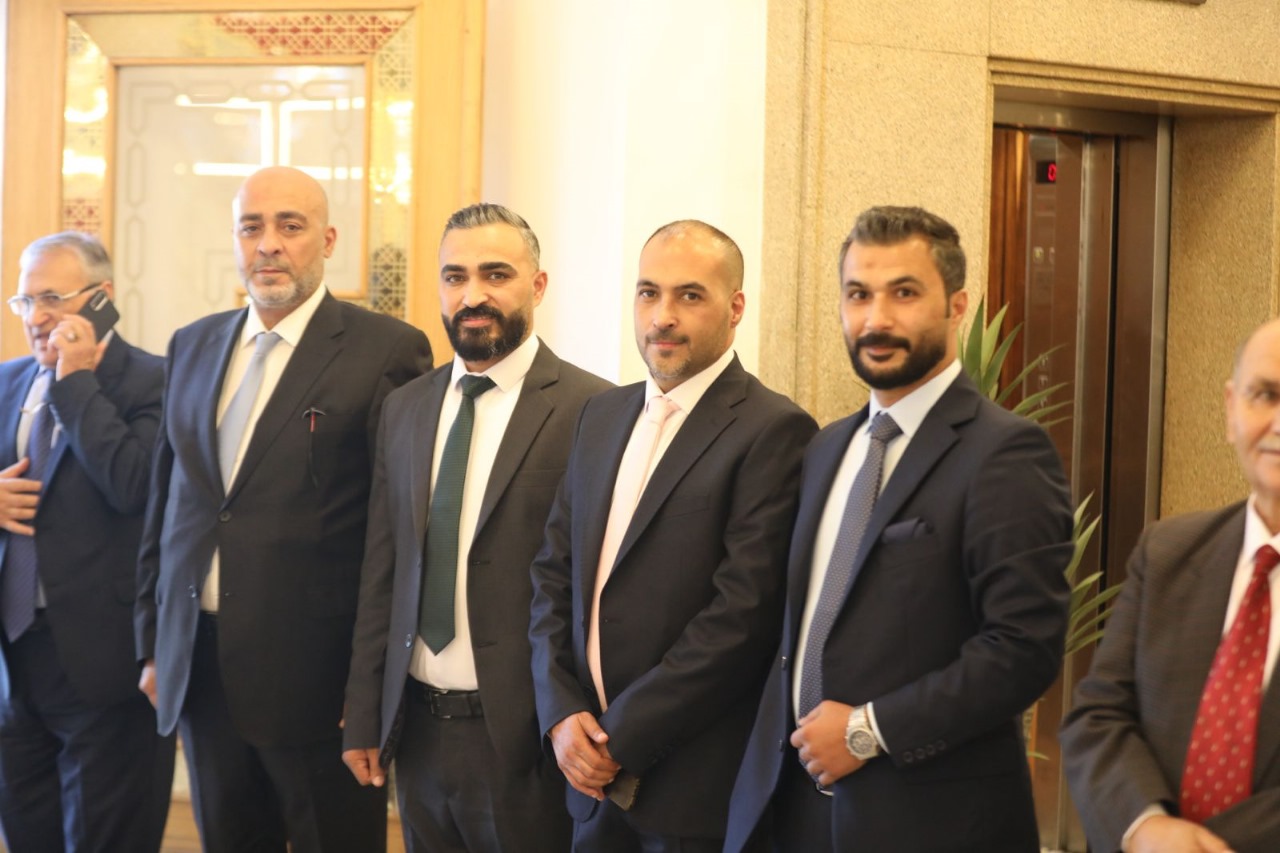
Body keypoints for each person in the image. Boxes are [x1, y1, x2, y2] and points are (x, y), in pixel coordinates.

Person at [725, 205, 1074, 853]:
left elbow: (1022, 651)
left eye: (904, 293)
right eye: (858, 294)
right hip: (790, 810)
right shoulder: (827, 449)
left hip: (927, 822)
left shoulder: (1005, 452)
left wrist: (867, 731)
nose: (876, 319)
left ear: (956, 305)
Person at [134, 166, 432, 853]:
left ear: (327, 240)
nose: (268, 243)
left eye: (289, 226)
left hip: (318, 685)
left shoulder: (386, 350)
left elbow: (396, 534)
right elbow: (168, 503)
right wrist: (154, 640)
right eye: (251, 227)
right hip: (201, 668)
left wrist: (369, 685)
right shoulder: (192, 344)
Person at [528, 219, 817, 852]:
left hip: (692, 788)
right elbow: (553, 573)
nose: (662, 316)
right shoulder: (600, 415)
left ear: (735, 308)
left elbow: (741, 618)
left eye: (690, 295)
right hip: (585, 782)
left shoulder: (774, 430)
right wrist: (561, 712)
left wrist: (617, 739)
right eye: (648, 292)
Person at [342, 203, 611, 851]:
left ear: (537, 285)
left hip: (527, 737)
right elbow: (383, 569)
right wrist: (366, 707)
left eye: (496, 275)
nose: (473, 296)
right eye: (455, 277)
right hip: (418, 731)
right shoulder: (405, 409)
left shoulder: (595, 410)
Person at [1060, 319, 1280, 853]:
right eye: (1266, 395)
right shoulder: (1167, 552)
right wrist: (1144, 827)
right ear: (1231, 410)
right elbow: (1098, 715)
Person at [0, 232, 172, 851]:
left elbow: (134, 486)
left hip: (108, 664)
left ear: (101, 298)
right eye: (25, 302)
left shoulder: (156, 380)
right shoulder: (6, 381)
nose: (36, 317)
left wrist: (74, 381)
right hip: (14, 664)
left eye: (52, 298)